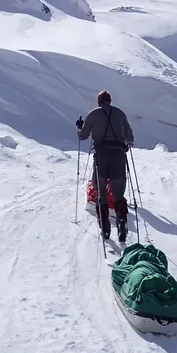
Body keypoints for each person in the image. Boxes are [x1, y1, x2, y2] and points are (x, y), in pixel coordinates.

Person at [76, 90, 134, 242]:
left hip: (101, 156)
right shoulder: (120, 113)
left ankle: (105, 227)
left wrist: (80, 127)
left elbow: (83, 136)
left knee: (101, 192)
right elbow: (130, 137)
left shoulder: (93, 114)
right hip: (118, 156)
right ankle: (122, 223)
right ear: (110, 100)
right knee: (118, 193)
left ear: (98, 101)